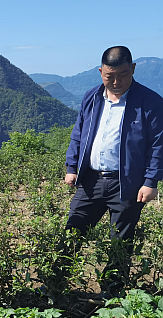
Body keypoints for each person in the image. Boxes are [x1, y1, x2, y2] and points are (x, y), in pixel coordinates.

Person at [64, 46, 163, 296]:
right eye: (110, 76)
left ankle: (111, 294)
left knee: (120, 242)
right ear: (100, 72)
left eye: (123, 74)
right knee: (72, 232)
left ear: (133, 70)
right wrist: (72, 166)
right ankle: (56, 283)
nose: (116, 81)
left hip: (127, 183)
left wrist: (151, 181)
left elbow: (158, 143)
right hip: (90, 179)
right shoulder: (92, 97)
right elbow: (79, 134)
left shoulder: (150, 102)